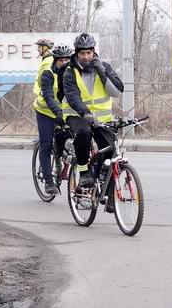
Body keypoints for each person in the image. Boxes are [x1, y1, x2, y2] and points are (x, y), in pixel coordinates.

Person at [62, 33, 124, 211]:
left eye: (89, 53)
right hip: (77, 115)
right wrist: (85, 113)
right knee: (84, 133)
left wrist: (103, 73)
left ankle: (109, 195)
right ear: (77, 53)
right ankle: (83, 172)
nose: (86, 57)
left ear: (93, 52)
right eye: (82, 53)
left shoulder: (103, 67)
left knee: (111, 151)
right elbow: (72, 96)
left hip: (102, 119)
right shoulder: (69, 71)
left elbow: (116, 91)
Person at [33, 44, 73, 195]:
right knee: (46, 144)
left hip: (63, 111)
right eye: (60, 60)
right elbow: (49, 96)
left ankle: (66, 166)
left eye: (67, 60)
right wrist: (58, 112)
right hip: (45, 112)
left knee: (73, 141)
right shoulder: (48, 73)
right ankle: (49, 182)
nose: (64, 63)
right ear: (55, 61)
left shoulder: (73, 72)